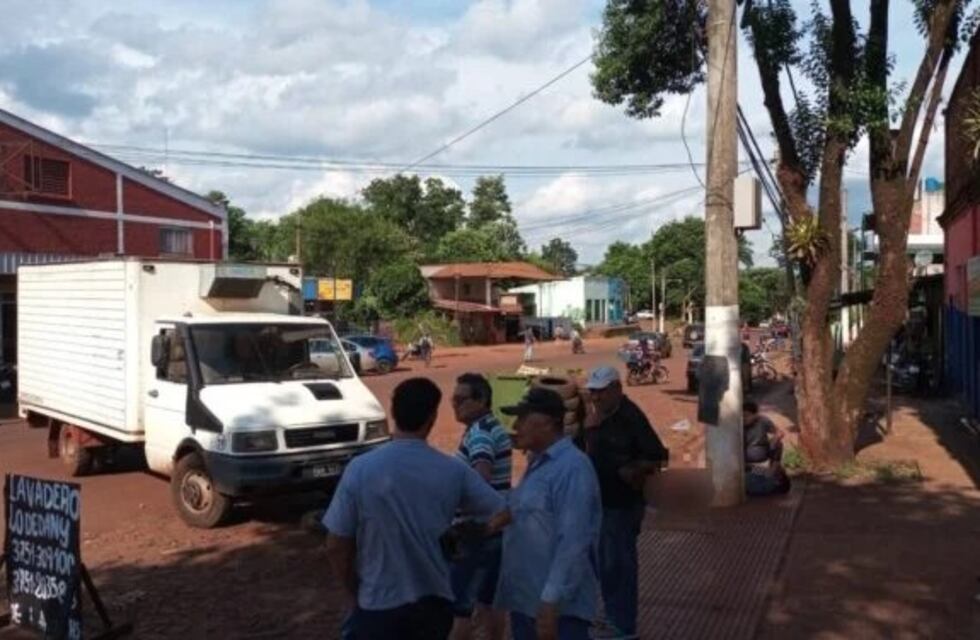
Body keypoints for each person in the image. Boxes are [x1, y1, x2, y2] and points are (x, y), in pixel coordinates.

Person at [323, 378, 506, 640]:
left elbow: (336, 544)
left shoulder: (360, 469)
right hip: (433, 601)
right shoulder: (452, 470)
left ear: (393, 412)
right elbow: (503, 510)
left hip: (377, 602)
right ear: (432, 417)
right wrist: (473, 533)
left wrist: (351, 591)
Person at [495, 387, 601, 640]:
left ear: (548, 423)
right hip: (527, 603)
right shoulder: (539, 464)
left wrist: (551, 602)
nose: (516, 425)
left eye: (523, 419)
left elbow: (574, 542)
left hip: (555, 611)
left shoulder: (572, 468)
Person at [582, 366, 669, 638]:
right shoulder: (599, 418)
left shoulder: (629, 417)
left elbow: (658, 455)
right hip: (602, 504)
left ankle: (622, 626)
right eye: (593, 392)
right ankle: (612, 616)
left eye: (602, 392)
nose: (596, 398)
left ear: (617, 389)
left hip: (620, 505)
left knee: (618, 566)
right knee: (605, 566)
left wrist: (632, 469)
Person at [448, 373, 512, 640]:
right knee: (489, 602)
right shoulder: (492, 426)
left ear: (482, 400)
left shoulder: (480, 434)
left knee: (461, 609)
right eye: (454, 399)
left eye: (461, 399)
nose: (455, 405)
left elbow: (480, 480)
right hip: (494, 530)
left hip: (476, 532)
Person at [743, 399, 790, 496]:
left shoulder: (763, 421)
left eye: (747, 415)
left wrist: (775, 439)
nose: (744, 418)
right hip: (746, 452)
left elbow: (779, 432)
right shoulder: (738, 424)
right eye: (742, 415)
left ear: (755, 414)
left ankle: (773, 470)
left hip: (762, 451)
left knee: (778, 444)